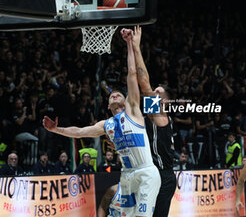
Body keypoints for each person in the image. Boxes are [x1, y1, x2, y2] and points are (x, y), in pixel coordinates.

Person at [43, 27, 161, 217]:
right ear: (108, 106)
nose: (114, 94)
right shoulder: (107, 125)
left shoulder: (133, 111)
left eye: (118, 94)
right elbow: (80, 132)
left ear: (125, 100)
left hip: (146, 172)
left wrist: (130, 45)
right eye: (111, 95)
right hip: (127, 175)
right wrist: (57, 129)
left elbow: (132, 74)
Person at [127, 25, 176, 217]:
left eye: (158, 93)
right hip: (150, 174)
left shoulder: (161, 117)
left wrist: (136, 47)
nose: (153, 94)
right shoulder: (152, 117)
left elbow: (143, 83)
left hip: (163, 177)